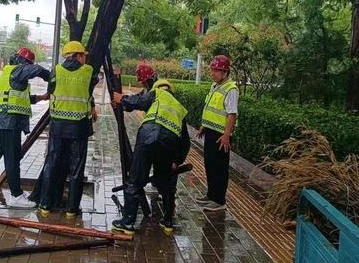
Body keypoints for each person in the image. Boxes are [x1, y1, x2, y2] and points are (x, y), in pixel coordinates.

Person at [0, 47, 50, 207]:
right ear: (24, 62)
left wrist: (42, 97)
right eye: (28, 63)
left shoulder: (8, 73)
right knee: (12, 157)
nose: (29, 66)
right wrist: (51, 77)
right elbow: (38, 70)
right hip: (9, 121)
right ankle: (16, 196)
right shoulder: (19, 70)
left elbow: (21, 97)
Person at [110, 79, 190, 235]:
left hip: (149, 135)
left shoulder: (157, 93)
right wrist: (177, 161)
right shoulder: (180, 108)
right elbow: (185, 141)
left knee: (135, 179)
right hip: (169, 142)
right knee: (167, 182)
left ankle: (127, 223)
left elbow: (139, 101)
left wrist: (122, 99)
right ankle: (167, 223)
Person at [37, 41, 98, 218]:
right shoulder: (89, 72)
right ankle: (72, 209)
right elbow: (87, 92)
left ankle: (45, 205)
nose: (85, 58)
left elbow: (51, 91)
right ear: (78, 55)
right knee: (77, 169)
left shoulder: (56, 71)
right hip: (79, 127)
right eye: (83, 55)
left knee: (51, 164)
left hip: (58, 126)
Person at [195, 55, 238, 212]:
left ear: (225, 72)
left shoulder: (231, 89)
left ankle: (219, 200)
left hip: (221, 135)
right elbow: (211, 109)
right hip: (211, 132)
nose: (213, 73)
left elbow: (232, 114)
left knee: (219, 167)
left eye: (217, 70)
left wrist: (227, 135)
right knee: (210, 164)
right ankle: (211, 194)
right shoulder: (215, 86)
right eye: (212, 70)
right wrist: (203, 126)